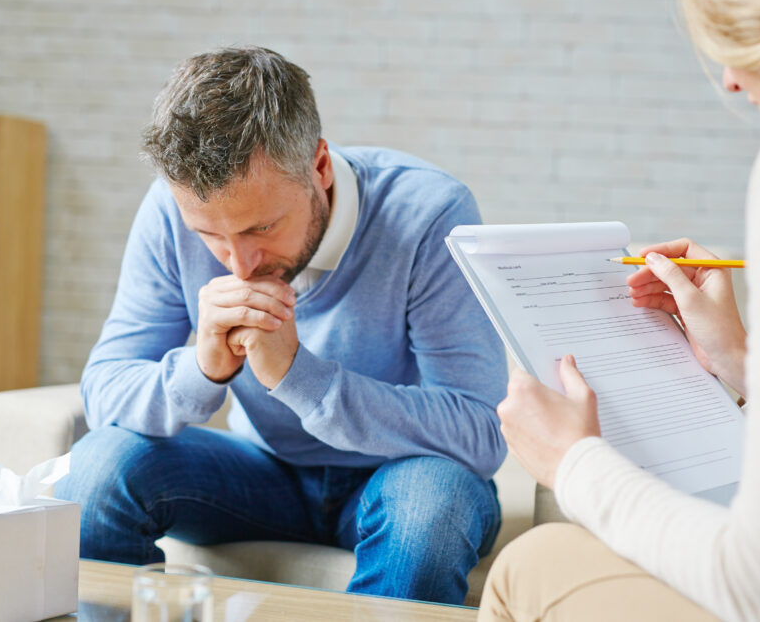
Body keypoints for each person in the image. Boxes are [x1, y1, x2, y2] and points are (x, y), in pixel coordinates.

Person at [478, 0, 760, 620]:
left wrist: (573, 461)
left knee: (528, 564)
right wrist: (743, 363)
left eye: (736, 38)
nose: (730, 80)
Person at [54, 45, 507, 605]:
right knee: (95, 472)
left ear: (318, 167)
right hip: (260, 474)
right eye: (210, 237)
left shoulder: (429, 214)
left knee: (429, 508)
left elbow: (481, 431)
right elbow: (105, 392)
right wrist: (202, 369)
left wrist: (299, 376)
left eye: (261, 227)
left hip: (399, 476)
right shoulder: (171, 211)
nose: (238, 264)